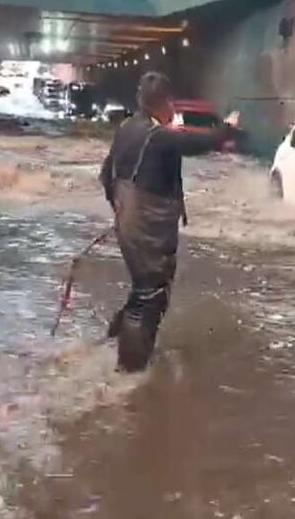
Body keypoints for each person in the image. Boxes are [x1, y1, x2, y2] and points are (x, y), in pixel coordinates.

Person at [99, 72, 240, 372]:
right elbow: (200, 142)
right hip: (146, 227)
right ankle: (129, 372)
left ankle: (112, 345)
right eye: (171, 104)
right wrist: (228, 127)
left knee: (142, 290)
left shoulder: (126, 128)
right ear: (165, 103)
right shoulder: (158, 135)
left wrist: (118, 207)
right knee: (150, 296)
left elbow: (105, 173)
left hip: (130, 223)